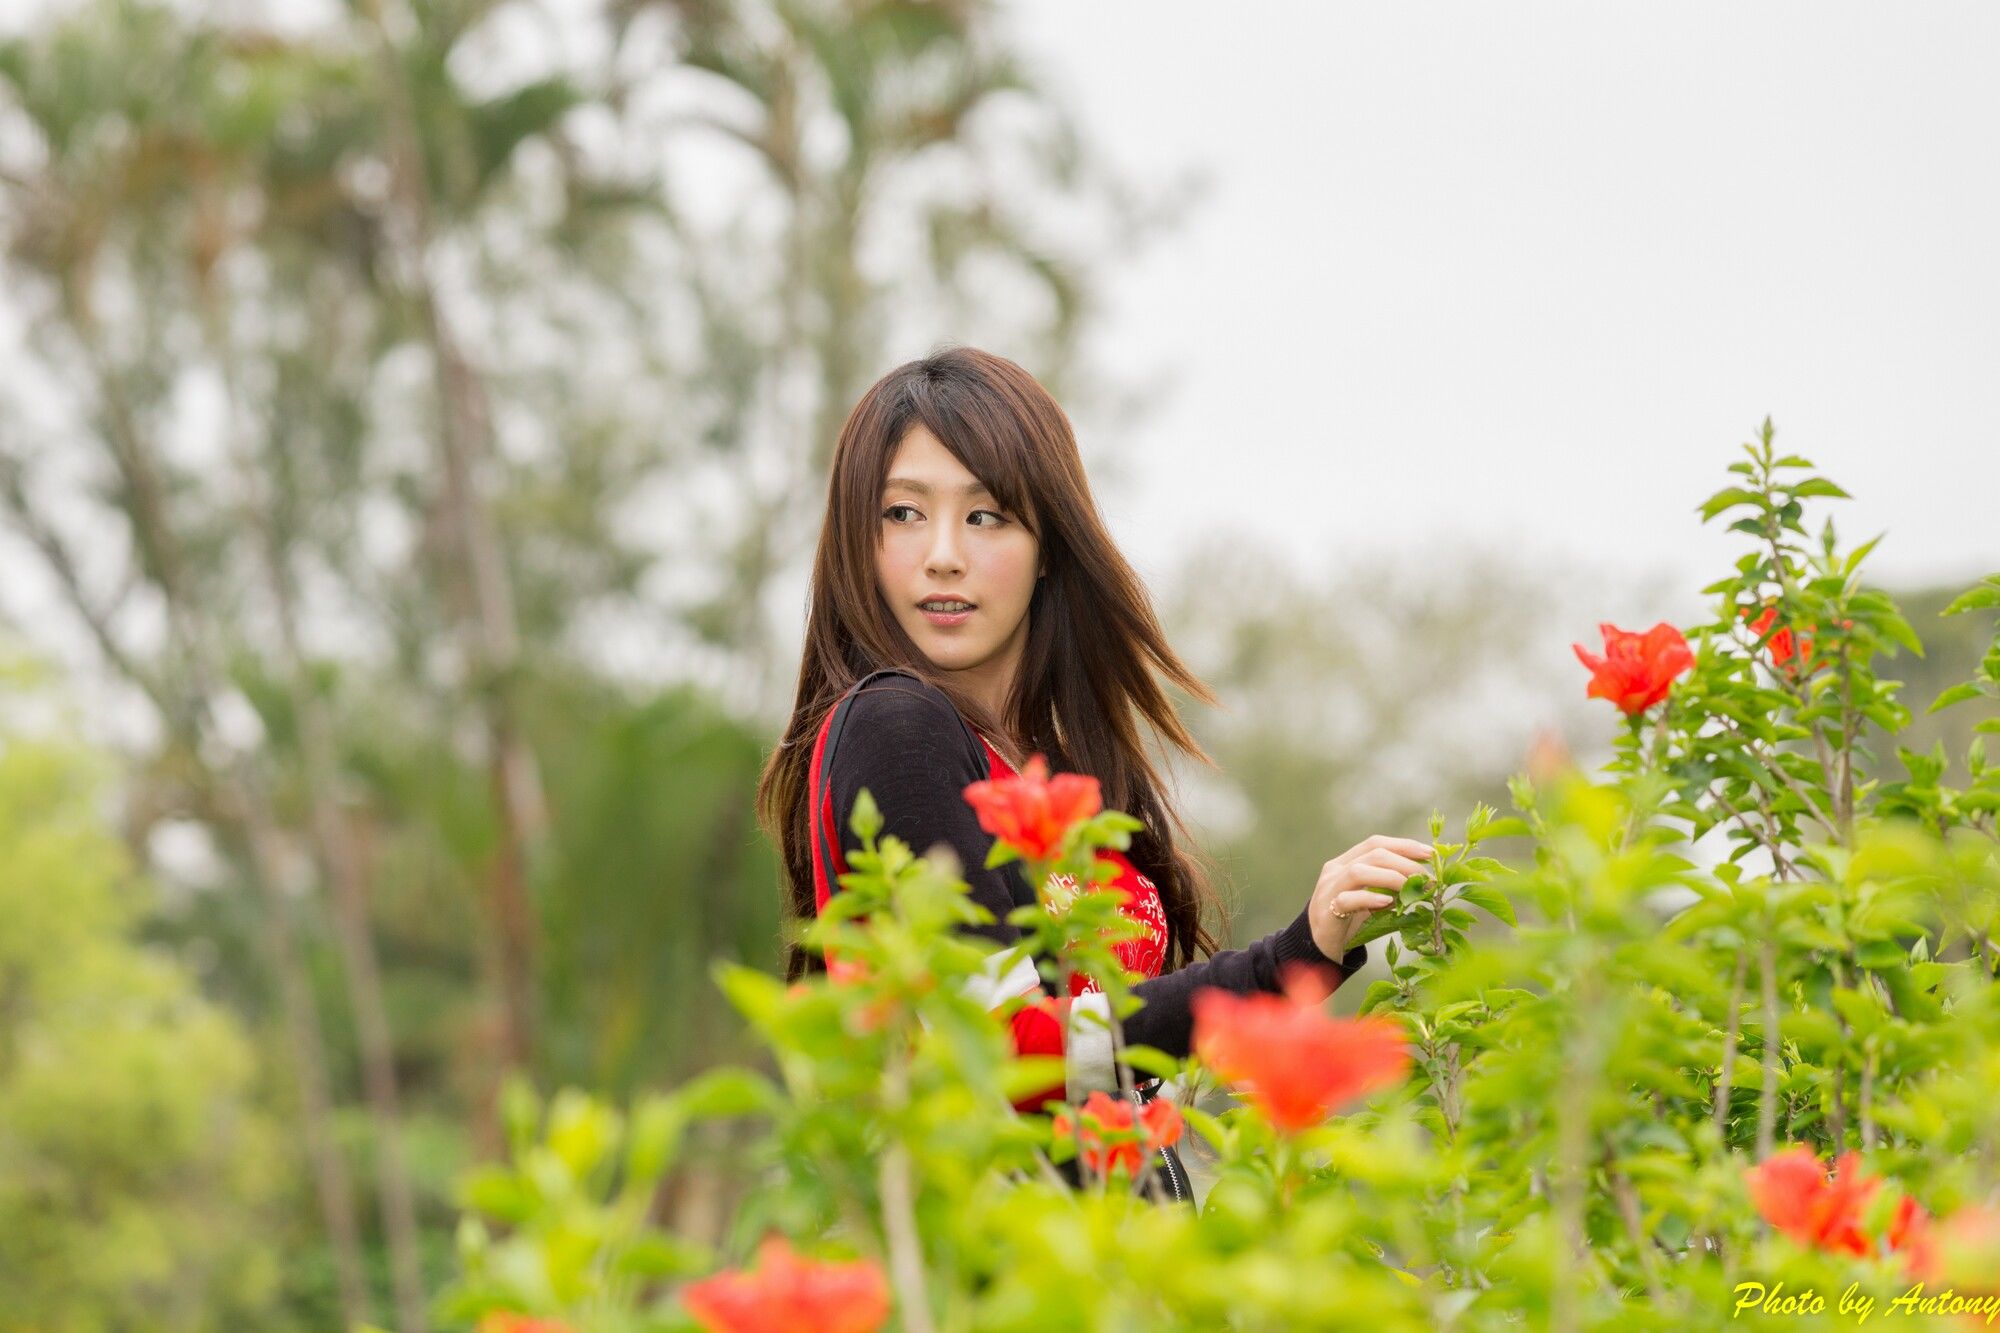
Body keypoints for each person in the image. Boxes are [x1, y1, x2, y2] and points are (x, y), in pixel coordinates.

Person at [753, 346, 1432, 1199]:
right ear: (858, 539)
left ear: (1049, 547)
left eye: (987, 515)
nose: (942, 555)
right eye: (902, 512)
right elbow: (1007, 1050)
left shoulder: (1041, 769)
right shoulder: (897, 726)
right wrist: (1289, 960)